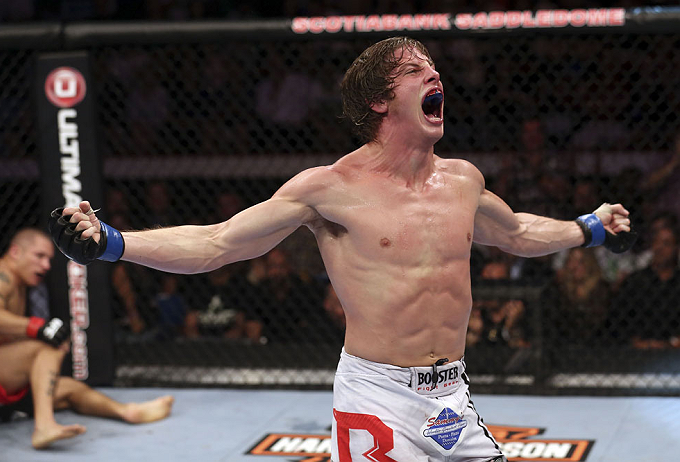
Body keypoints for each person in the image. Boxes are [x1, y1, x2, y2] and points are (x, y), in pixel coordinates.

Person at [49, 37, 635, 461]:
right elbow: (217, 243)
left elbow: (516, 233)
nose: (435, 75)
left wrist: (589, 227)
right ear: (382, 101)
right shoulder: (328, 189)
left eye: (434, 66)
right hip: (377, 393)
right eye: (416, 70)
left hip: (452, 390)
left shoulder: (463, 180)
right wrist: (111, 244)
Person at [0, 228, 174, 449]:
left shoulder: (18, 284)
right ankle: (44, 425)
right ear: (16, 252)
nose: (46, 265)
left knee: (70, 389)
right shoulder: (1, 278)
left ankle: (129, 412)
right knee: (45, 346)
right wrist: (38, 328)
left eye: (48, 259)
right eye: (39, 256)